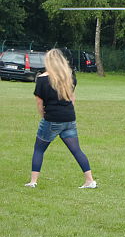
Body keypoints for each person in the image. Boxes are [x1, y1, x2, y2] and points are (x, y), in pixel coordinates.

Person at [24, 49, 96, 189]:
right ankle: (90, 180)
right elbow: (72, 98)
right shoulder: (69, 77)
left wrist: (43, 116)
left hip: (52, 119)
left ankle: (33, 181)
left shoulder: (43, 79)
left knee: (39, 149)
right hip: (69, 119)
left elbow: (39, 103)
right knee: (76, 150)